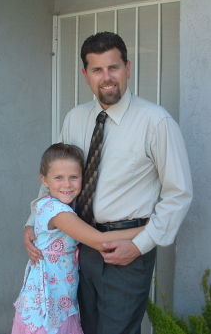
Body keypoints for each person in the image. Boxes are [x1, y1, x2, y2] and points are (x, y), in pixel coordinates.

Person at [24, 32, 192, 334]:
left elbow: (178, 195)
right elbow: (56, 175)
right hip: (76, 248)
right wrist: (33, 222)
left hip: (126, 251)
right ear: (85, 74)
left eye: (113, 68)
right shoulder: (75, 118)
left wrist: (140, 245)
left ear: (127, 68)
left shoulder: (156, 122)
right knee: (80, 328)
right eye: (97, 70)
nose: (107, 77)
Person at [12, 143, 144, 334]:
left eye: (73, 177)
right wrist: (147, 229)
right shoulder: (57, 212)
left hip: (59, 297)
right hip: (48, 304)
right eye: (58, 178)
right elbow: (100, 240)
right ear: (44, 180)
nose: (67, 184)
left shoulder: (51, 205)